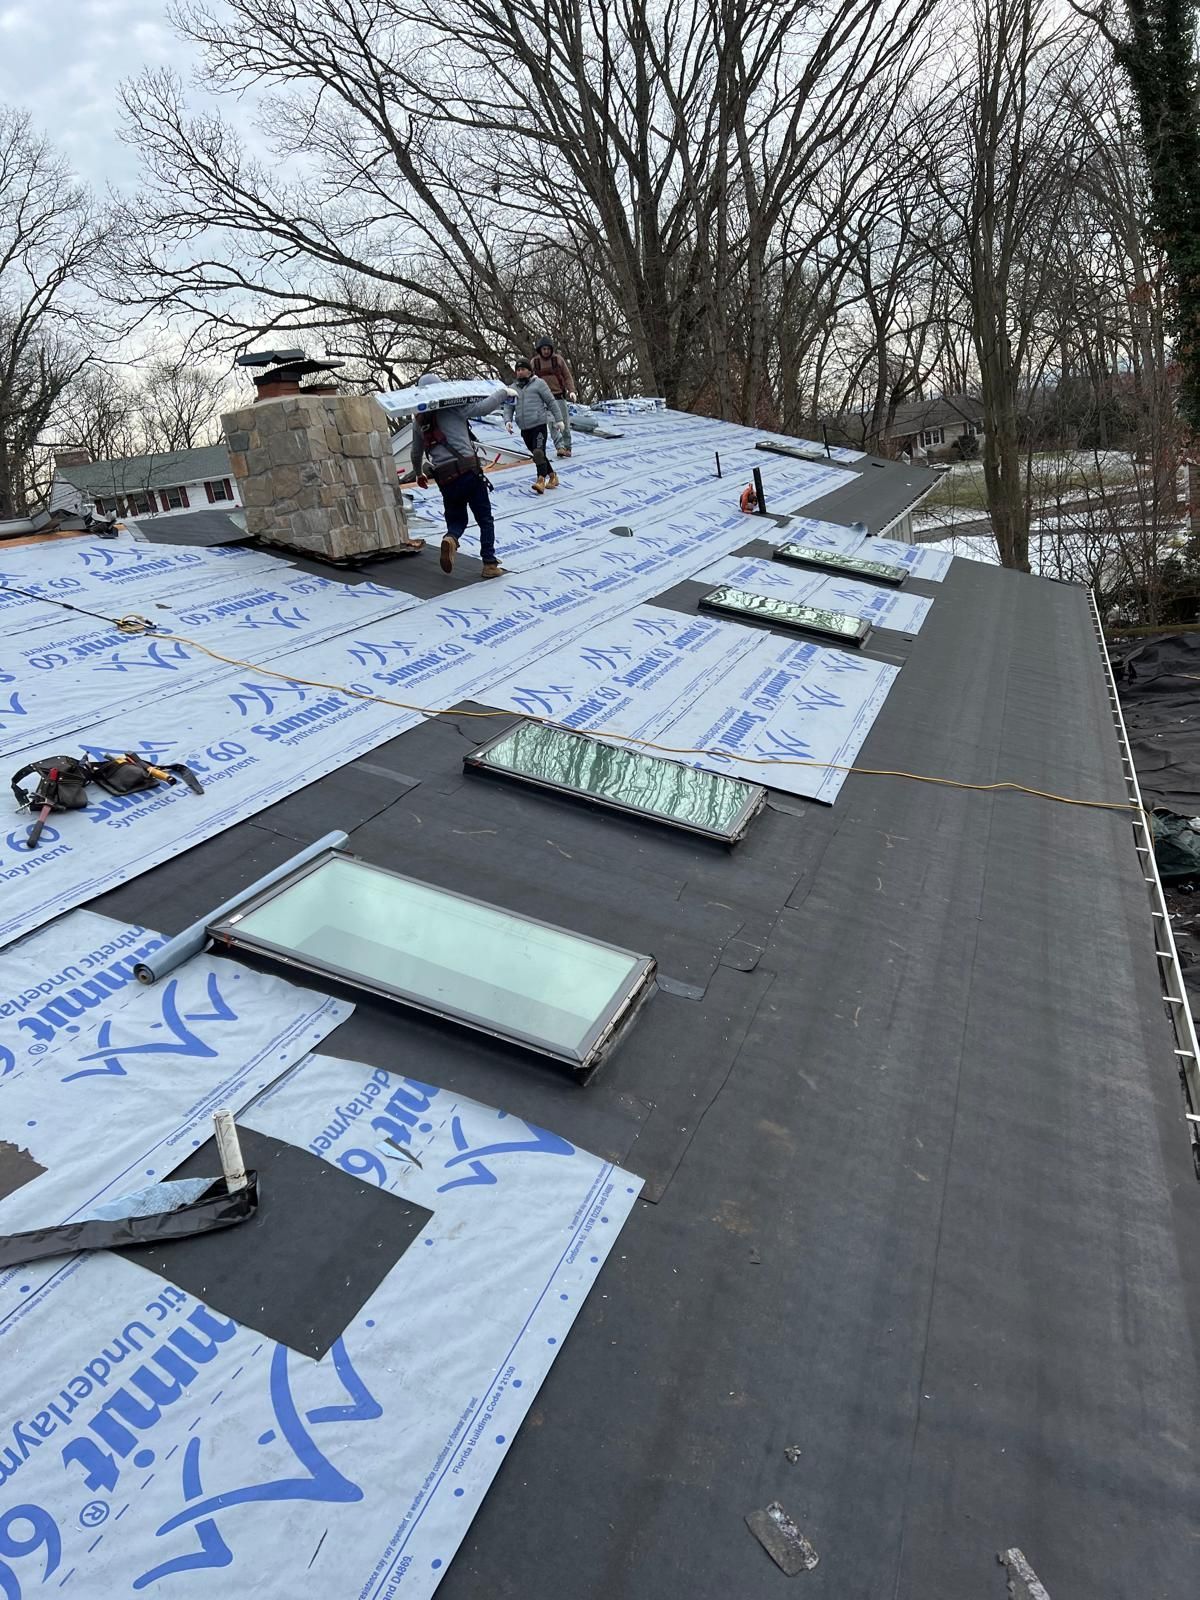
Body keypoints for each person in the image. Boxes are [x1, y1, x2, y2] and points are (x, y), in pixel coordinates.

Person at [410, 371, 509, 578]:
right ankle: (489, 564)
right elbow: (484, 407)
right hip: (468, 472)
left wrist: (419, 473)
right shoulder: (453, 407)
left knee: (457, 519)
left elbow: (416, 452)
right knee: (484, 518)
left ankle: (451, 538)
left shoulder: (418, 420)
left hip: (445, 479)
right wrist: (503, 393)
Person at [505, 357, 564, 493]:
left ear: (529, 371)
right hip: (525, 428)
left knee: (538, 453)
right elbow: (508, 407)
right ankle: (553, 476)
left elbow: (551, 401)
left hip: (539, 425)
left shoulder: (539, 384)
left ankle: (540, 480)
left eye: (523, 369)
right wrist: (508, 420)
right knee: (539, 455)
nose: (520, 372)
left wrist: (559, 419)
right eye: (518, 370)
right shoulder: (512, 389)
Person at [531, 336, 577, 457]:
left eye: (548, 349)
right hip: (544, 399)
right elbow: (529, 381)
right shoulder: (535, 363)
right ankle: (559, 447)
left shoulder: (558, 360)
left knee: (564, 424)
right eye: (543, 349)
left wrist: (571, 390)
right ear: (540, 350)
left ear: (551, 349)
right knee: (552, 424)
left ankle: (567, 447)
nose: (546, 351)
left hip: (559, 396)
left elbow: (567, 376)